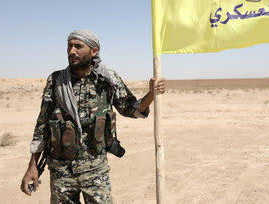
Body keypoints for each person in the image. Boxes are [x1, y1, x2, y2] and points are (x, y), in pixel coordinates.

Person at [20, 29, 165, 203]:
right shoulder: (57, 80)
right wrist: (32, 166)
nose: (72, 51)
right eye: (69, 46)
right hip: (61, 171)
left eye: (78, 46)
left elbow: (132, 109)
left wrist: (151, 93)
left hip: (95, 170)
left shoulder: (107, 79)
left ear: (93, 51)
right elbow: (42, 124)